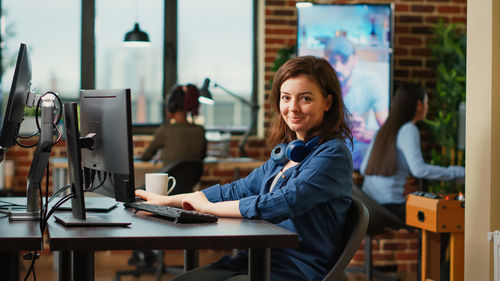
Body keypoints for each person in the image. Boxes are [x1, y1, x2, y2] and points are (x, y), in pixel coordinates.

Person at [135, 56, 354, 281]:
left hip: (296, 269)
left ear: (327, 102)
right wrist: (169, 201)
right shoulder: (288, 152)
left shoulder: (333, 155)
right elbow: (239, 189)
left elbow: (282, 202)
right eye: (286, 98)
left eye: (305, 98)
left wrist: (208, 209)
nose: (293, 108)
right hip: (256, 259)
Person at [360, 82, 465, 220]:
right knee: (445, 217)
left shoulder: (383, 130)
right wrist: (457, 172)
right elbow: (419, 170)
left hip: (370, 207)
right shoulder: (408, 129)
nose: (427, 107)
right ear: (419, 105)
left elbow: (363, 169)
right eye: (427, 102)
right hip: (391, 208)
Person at [326, 35, 389, 170]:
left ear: (355, 60)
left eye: (344, 60)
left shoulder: (371, 82)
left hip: (356, 148)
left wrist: (365, 134)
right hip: (325, 145)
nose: (338, 67)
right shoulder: (318, 84)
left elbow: (388, 130)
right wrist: (342, 127)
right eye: (333, 61)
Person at [140, 84, 207, 167]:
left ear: (171, 106)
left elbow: (145, 157)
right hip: (192, 180)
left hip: (169, 179)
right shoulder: (200, 131)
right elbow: (201, 156)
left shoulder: (165, 130)